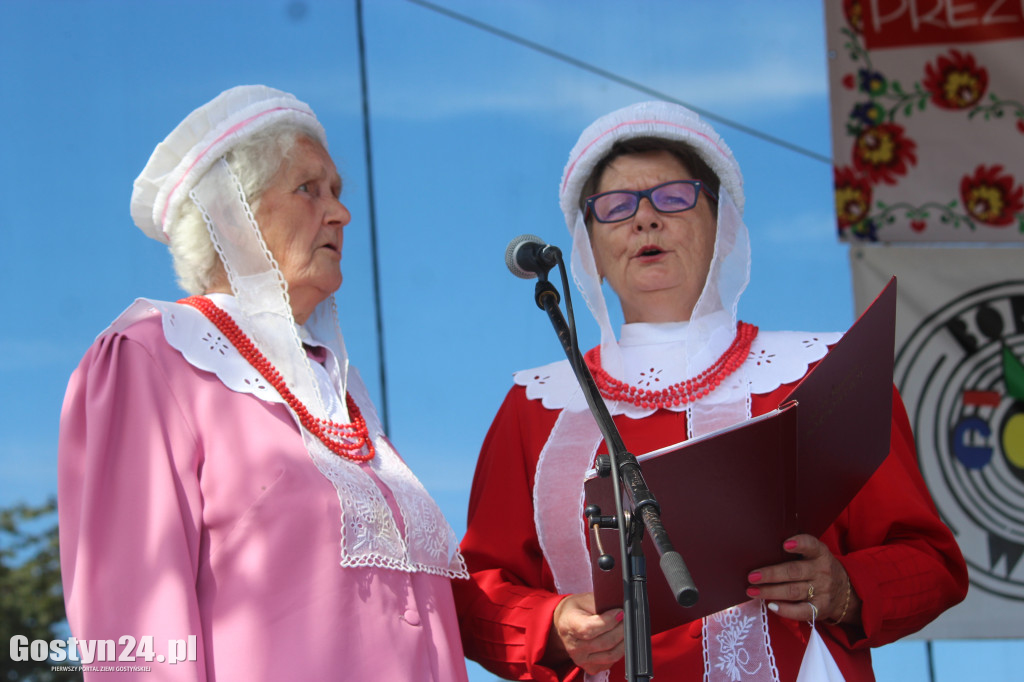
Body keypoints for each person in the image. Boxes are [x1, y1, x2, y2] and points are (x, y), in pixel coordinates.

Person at [452, 101, 968, 682]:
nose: (645, 220)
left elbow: (931, 561)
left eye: (673, 197)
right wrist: (552, 622)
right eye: (615, 207)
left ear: (722, 227)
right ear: (588, 249)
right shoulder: (536, 404)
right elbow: (474, 596)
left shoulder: (819, 369)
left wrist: (845, 588)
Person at [58, 85, 469, 681]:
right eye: (309, 189)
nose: (341, 213)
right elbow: (131, 624)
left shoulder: (338, 391)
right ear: (233, 211)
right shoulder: (152, 355)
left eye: (337, 192)